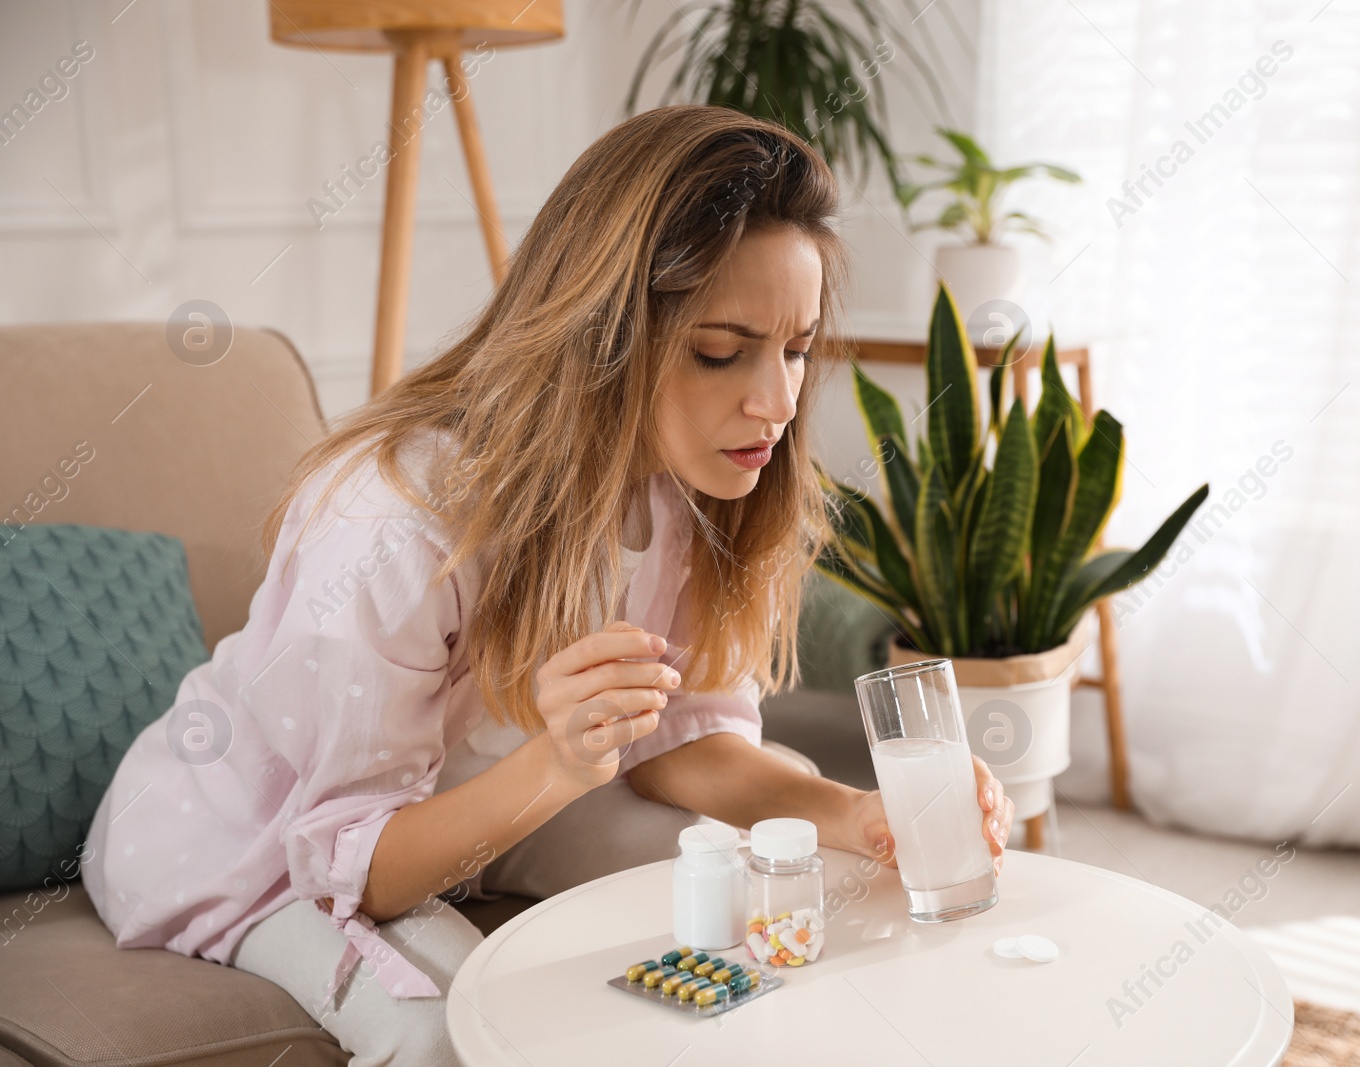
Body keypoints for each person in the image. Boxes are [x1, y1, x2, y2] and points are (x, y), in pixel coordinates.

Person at [82, 105, 1014, 1064]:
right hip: (269, 845)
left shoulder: (684, 487)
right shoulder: (393, 521)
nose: (776, 402)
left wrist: (854, 814)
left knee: (751, 892)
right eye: (718, 351)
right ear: (602, 332)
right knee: (446, 1031)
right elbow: (357, 868)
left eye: (796, 348)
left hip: (490, 796)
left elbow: (683, 736)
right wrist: (558, 765)